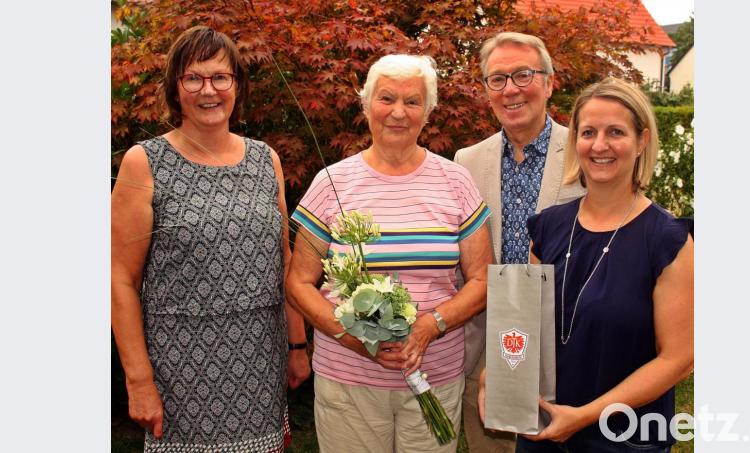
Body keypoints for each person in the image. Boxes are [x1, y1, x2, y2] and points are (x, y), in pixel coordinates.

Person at [111, 26, 310, 453]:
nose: (209, 90)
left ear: (236, 85)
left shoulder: (264, 159)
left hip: (261, 361)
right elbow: (119, 280)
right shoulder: (143, 163)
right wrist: (139, 379)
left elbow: (285, 260)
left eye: (220, 77)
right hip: (180, 370)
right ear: (175, 87)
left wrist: (297, 345)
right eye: (193, 78)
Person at [285, 54, 493, 452]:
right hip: (348, 383)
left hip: (434, 375)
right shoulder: (332, 182)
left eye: (412, 101)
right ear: (365, 105)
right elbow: (299, 281)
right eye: (386, 99)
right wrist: (352, 337)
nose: (398, 112)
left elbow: (483, 280)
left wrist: (431, 324)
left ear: (428, 112)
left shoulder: (456, 181)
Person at [480, 77, 694, 452]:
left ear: (642, 140)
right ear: (574, 142)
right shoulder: (548, 226)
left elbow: (679, 359)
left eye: (616, 132)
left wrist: (587, 415)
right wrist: (494, 376)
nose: (600, 145)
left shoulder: (667, 240)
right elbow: (525, 326)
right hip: (543, 428)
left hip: (623, 438)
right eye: (588, 132)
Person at [453, 32, 585, 453]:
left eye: (523, 75)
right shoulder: (467, 162)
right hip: (489, 344)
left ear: (549, 83)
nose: (510, 89)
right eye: (497, 79)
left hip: (566, 342)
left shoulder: (587, 152)